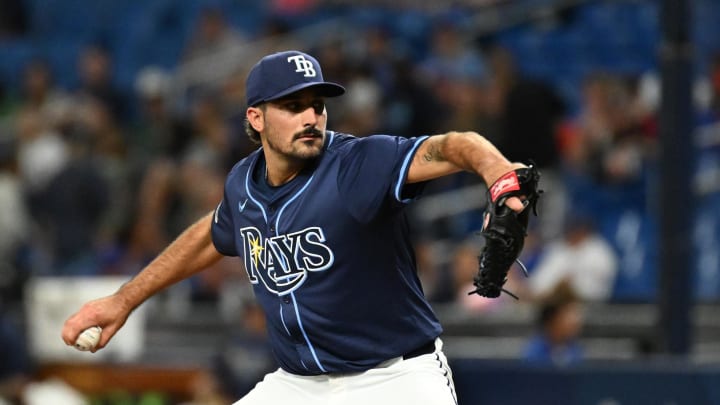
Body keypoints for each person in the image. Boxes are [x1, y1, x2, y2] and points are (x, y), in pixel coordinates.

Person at [62, 50, 531, 405]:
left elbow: (454, 146)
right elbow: (214, 232)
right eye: (292, 105)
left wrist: (500, 177)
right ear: (256, 117)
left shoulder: (357, 165)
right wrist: (124, 299)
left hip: (394, 380)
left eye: (317, 104)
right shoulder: (243, 184)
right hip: (299, 386)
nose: (311, 117)